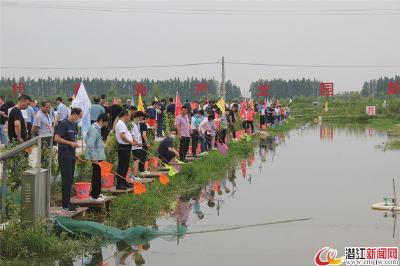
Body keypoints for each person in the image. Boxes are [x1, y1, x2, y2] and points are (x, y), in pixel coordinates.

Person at [55, 107, 82, 212]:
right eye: (78, 116)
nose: (78, 119)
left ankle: (68, 203)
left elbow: (72, 140)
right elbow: (56, 138)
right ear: (74, 114)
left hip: (71, 155)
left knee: (70, 180)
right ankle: (64, 205)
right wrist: (70, 143)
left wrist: (75, 154)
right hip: (64, 156)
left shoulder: (73, 125)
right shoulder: (64, 123)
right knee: (66, 180)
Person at [86, 113, 109, 202]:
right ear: (100, 121)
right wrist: (94, 157)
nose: (106, 125)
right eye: (105, 123)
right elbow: (90, 144)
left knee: (98, 175)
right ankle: (94, 196)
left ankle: (97, 193)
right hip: (96, 157)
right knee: (96, 175)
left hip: (98, 155)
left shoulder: (97, 129)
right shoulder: (94, 129)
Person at [115, 110, 138, 190]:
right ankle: (119, 184)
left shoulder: (122, 123)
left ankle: (124, 181)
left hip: (126, 146)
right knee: (122, 166)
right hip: (123, 147)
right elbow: (122, 136)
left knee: (125, 166)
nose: (129, 117)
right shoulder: (120, 123)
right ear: (125, 115)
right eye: (128, 116)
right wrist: (131, 142)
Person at [130, 111, 146, 182]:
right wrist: (136, 143)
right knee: (136, 161)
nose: (142, 118)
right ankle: (135, 176)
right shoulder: (132, 124)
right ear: (138, 116)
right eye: (142, 116)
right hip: (135, 146)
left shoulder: (138, 124)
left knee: (137, 161)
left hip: (139, 146)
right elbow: (132, 136)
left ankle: (135, 175)